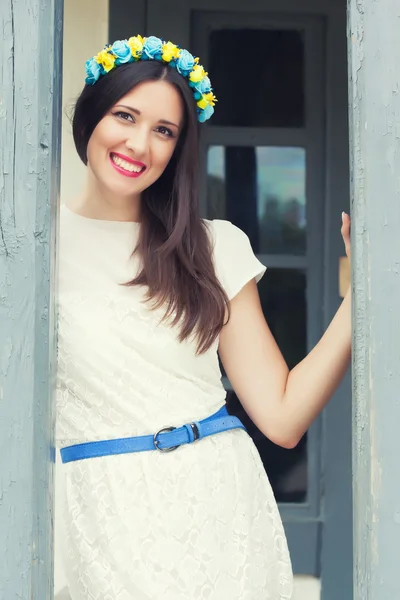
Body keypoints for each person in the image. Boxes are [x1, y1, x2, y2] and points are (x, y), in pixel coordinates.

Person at [55, 34, 351, 600]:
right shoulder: (31, 249)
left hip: (218, 507)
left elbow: (284, 416)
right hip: (100, 512)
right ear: (91, 114)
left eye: (163, 131)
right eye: (125, 116)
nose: (139, 144)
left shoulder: (211, 248)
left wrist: (360, 299)